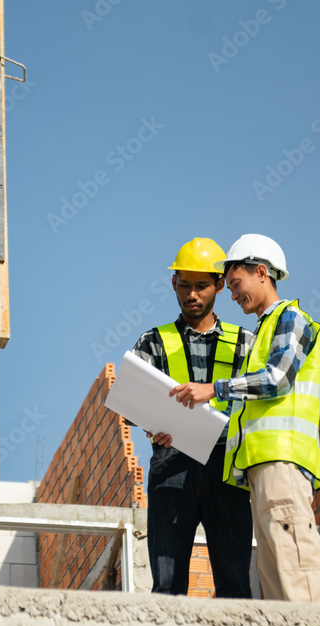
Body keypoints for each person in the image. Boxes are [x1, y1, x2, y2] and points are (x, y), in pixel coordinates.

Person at [170, 233, 320, 603]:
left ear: (261, 272)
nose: (232, 294)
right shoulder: (262, 332)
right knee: (275, 577)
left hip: (282, 461)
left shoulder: (290, 318)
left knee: (296, 568)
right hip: (261, 468)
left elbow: (277, 379)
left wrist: (214, 388)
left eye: (236, 284)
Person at [131, 238, 255, 598]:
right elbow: (131, 402)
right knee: (167, 585)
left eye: (201, 285)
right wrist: (152, 424)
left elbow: (260, 397)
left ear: (219, 285)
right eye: (184, 284)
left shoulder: (245, 342)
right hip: (172, 464)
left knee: (235, 584)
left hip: (227, 465)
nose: (191, 294)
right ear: (174, 283)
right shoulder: (153, 341)